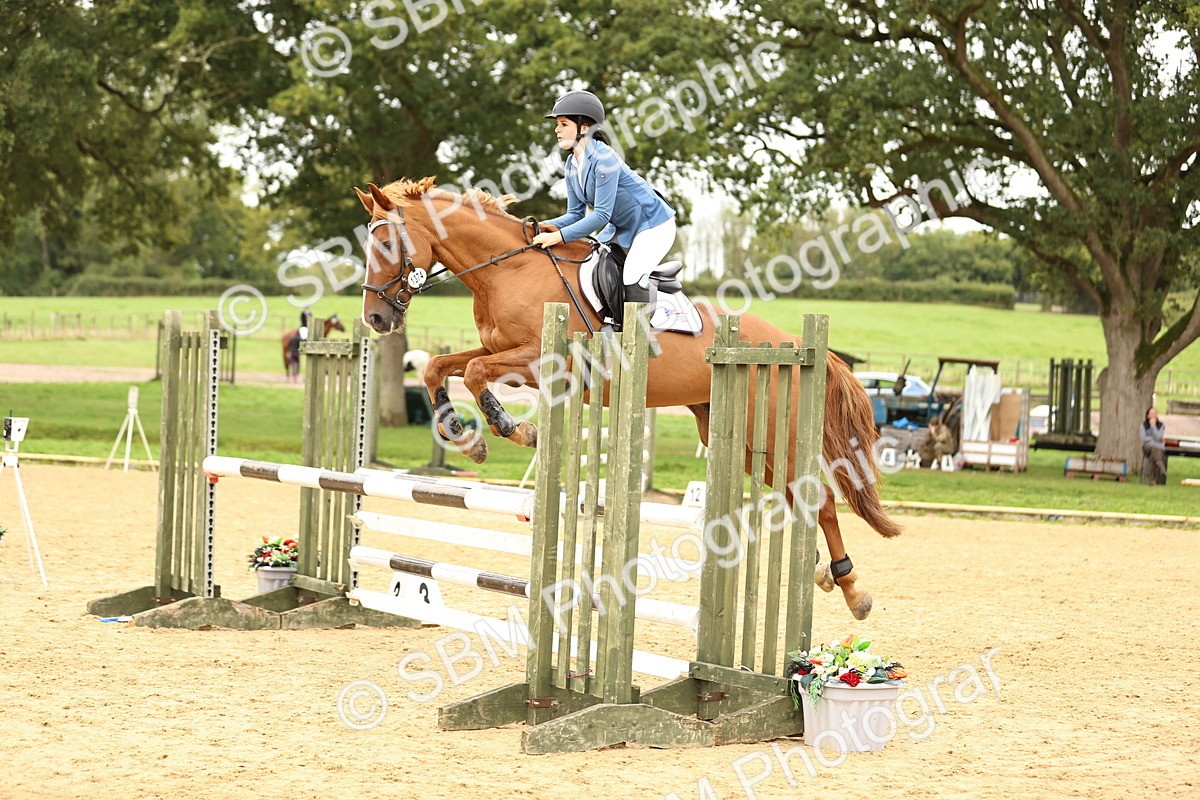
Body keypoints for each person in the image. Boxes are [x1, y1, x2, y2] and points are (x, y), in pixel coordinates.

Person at [531, 91, 676, 303]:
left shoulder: (604, 158)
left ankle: (641, 335)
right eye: (557, 125)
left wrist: (557, 237)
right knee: (588, 266)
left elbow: (601, 215)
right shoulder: (572, 163)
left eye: (563, 124)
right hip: (621, 227)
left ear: (584, 128)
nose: (557, 130)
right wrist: (541, 226)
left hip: (654, 225)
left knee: (631, 276)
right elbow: (574, 214)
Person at [1141, 406, 1167, 485]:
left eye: (1154, 414)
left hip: (1158, 449)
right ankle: (1160, 465)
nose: (1152, 415)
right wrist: (1155, 440)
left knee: (1153, 455)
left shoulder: (1161, 425)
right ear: (1148, 415)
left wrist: (1153, 426)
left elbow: (1159, 436)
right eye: (1151, 414)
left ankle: (1151, 480)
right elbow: (1143, 438)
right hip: (1147, 447)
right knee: (1153, 448)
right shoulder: (1143, 425)